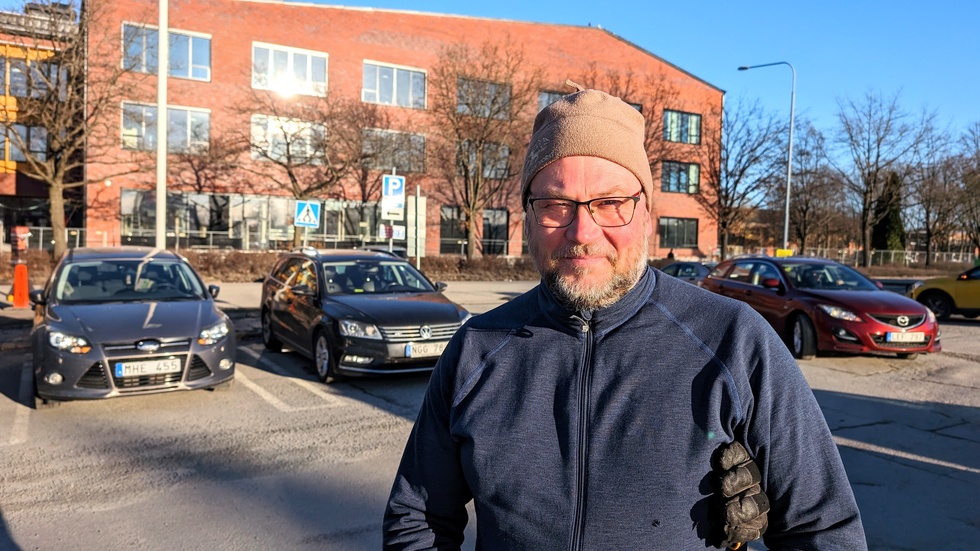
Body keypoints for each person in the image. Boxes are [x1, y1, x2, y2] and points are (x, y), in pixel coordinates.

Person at [384, 86, 866, 549]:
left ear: (647, 215)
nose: (582, 232)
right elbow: (418, 518)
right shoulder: (477, 348)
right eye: (555, 205)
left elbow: (822, 529)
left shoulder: (733, 341)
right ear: (528, 218)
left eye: (611, 203)